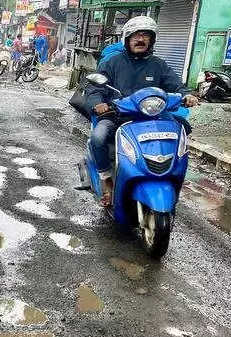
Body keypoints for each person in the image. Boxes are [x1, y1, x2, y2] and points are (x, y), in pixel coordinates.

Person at [86, 16, 199, 207]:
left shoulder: (158, 65)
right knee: (98, 137)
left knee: (182, 130)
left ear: (151, 40)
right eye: (136, 35)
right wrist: (98, 103)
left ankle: (169, 173)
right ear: (127, 38)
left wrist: (186, 95)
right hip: (118, 116)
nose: (140, 39)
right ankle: (106, 179)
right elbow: (95, 89)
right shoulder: (112, 62)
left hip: (152, 116)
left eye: (145, 35)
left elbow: (176, 84)